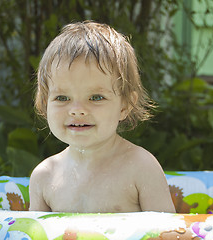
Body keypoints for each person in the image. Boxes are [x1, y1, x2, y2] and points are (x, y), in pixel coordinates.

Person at [29, 21, 175, 213]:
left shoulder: (140, 168)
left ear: (125, 105)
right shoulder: (45, 176)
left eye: (96, 97)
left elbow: (168, 232)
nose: (77, 110)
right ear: (45, 103)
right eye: (62, 98)